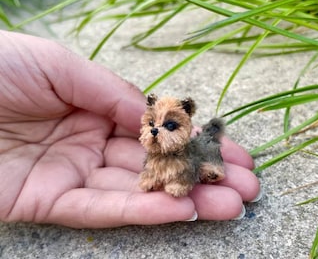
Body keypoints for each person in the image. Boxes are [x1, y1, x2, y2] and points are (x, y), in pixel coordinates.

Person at [0, 30, 261, 229]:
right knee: (153, 172)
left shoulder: (187, 150)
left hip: (194, 158)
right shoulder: (152, 153)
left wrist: (180, 183)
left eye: (170, 125)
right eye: (152, 124)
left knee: (199, 167)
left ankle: (209, 168)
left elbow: (181, 180)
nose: (157, 130)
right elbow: (150, 170)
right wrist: (150, 178)